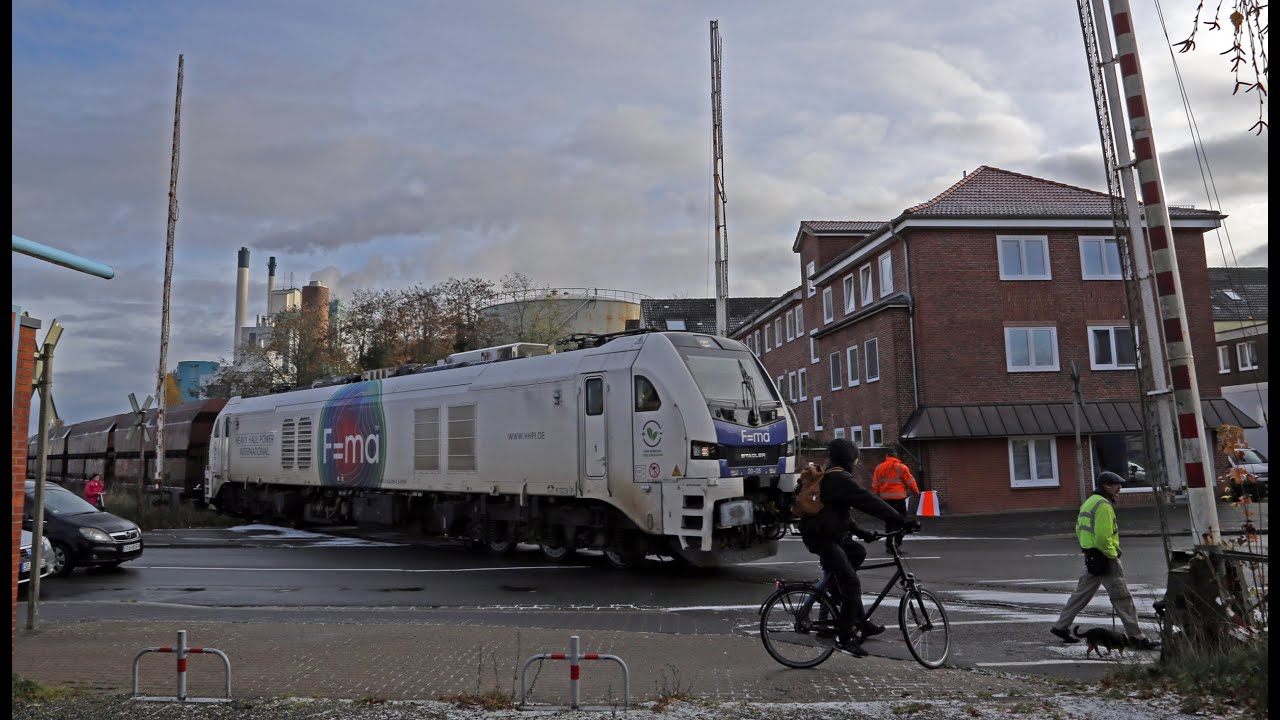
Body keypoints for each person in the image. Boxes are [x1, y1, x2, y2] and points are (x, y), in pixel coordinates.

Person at [799, 438, 918, 657]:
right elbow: (868, 501)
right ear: (850, 458)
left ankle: (859, 619)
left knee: (857, 553)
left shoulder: (831, 474)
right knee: (851, 583)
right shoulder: (839, 478)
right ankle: (844, 639)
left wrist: (863, 534)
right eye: (855, 457)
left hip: (829, 534)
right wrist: (901, 519)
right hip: (823, 538)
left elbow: (841, 513)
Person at [1049, 471, 1160, 650]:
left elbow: (1079, 529)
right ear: (1107, 486)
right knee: (1123, 599)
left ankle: (1060, 626)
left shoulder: (1089, 503)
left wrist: (1088, 550)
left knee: (1080, 595)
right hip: (1106, 558)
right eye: (1117, 485)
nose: (1120, 489)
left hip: (1091, 557)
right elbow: (1102, 537)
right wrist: (1113, 554)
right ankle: (1137, 638)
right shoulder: (1103, 505)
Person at [871, 446, 920, 553]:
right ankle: (895, 545)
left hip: (885, 501)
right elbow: (911, 482)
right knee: (900, 523)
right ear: (896, 456)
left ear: (887, 456)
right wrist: (916, 492)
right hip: (899, 500)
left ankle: (889, 546)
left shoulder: (879, 468)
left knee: (889, 524)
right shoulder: (902, 468)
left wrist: (876, 497)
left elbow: (875, 485)